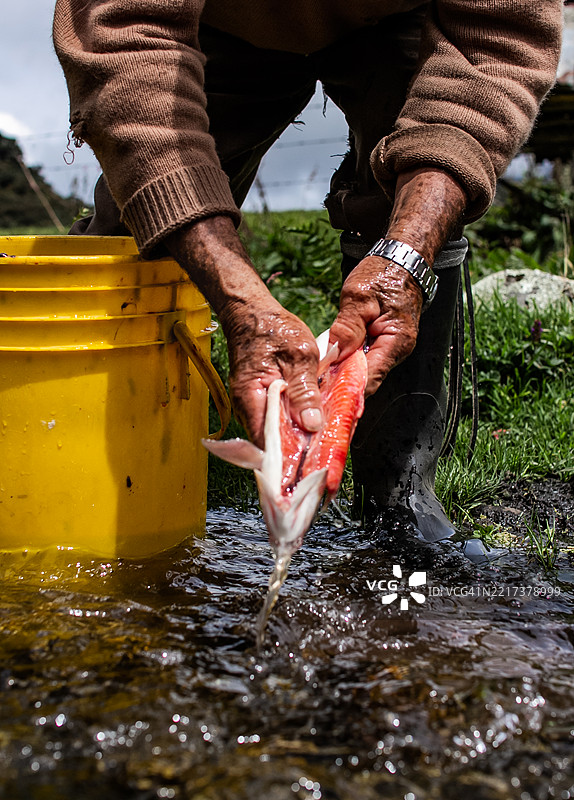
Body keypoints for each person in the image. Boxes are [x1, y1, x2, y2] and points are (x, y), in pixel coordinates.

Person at [53, 1, 562, 541]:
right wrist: (243, 306)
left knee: (424, 201)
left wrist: (406, 255)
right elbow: (124, 43)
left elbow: (493, 43)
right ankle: (103, 468)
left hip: (397, 17)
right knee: (143, 228)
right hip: (216, 22)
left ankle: (398, 486)